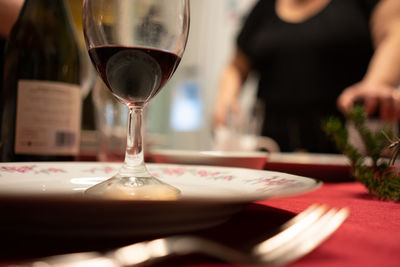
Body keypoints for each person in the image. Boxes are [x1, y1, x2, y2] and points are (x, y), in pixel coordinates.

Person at [214, 0, 400, 153]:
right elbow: (237, 66)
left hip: (351, 153)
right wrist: (226, 99)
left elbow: (394, 33)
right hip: (274, 155)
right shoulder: (264, 8)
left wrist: (378, 82)